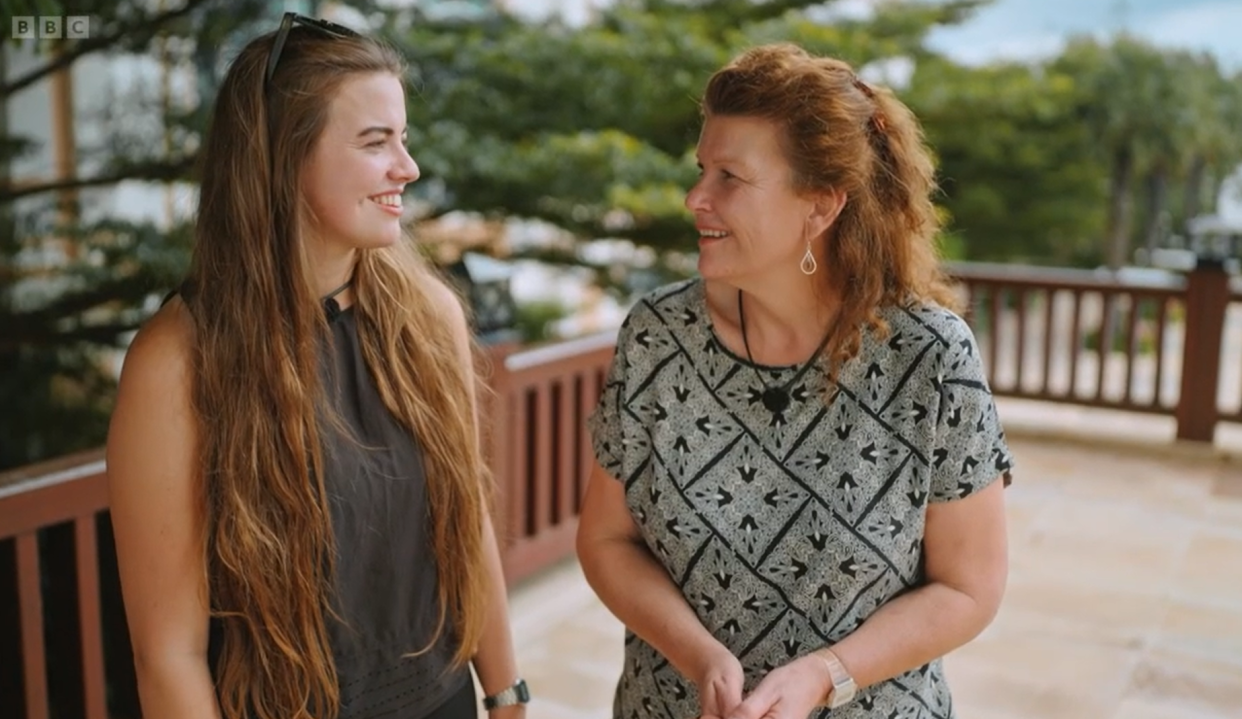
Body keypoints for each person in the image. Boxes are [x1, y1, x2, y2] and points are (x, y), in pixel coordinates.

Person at [106, 13, 527, 719]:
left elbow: (464, 521)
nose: (408, 167)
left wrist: (509, 694)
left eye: (404, 138)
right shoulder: (175, 363)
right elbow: (167, 654)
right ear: (284, 156)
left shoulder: (429, 315)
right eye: (375, 142)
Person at [577, 43, 1013, 719]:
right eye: (701, 170)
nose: (697, 197)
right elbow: (606, 539)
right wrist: (700, 655)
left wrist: (827, 673)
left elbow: (970, 586)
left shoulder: (931, 356)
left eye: (731, 177)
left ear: (820, 207)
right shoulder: (657, 335)